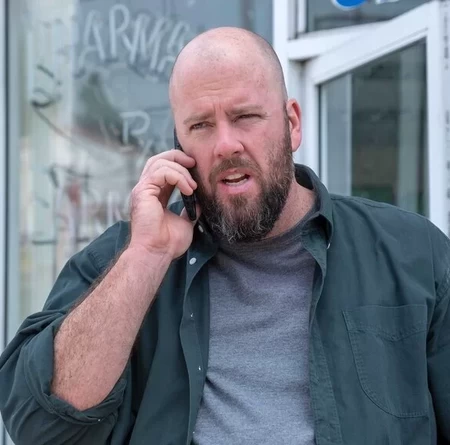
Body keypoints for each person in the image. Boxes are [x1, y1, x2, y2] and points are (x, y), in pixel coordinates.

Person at [0, 26, 449, 445]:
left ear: (292, 124)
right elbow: (38, 424)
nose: (225, 145)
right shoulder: (128, 258)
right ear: (177, 146)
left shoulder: (412, 253)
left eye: (245, 116)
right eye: (200, 125)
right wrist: (146, 257)